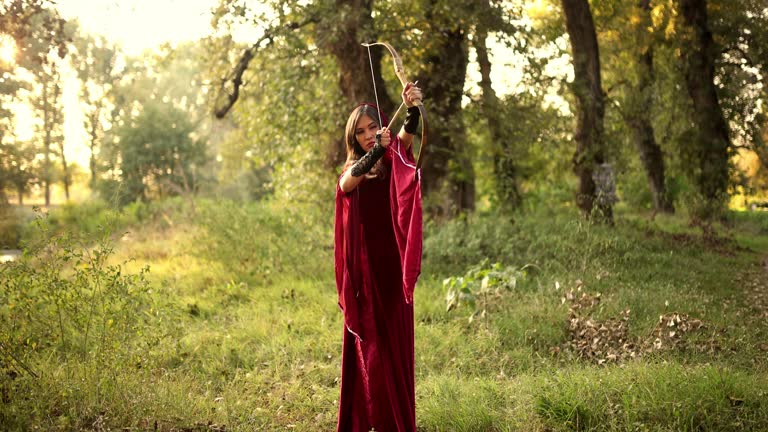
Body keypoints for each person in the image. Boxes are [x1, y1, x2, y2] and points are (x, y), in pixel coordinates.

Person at [334, 83, 423, 432]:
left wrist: (412, 107)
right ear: (353, 139)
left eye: (373, 127)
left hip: (393, 268)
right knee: (371, 348)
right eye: (360, 132)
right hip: (367, 273)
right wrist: (375, 153)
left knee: (394, 346)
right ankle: (371, 417)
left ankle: (396, 421)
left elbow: (406, 135)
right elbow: (347, 183)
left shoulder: (392, 158)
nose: (369, 134)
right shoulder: (353, 169)